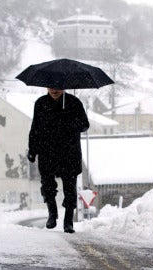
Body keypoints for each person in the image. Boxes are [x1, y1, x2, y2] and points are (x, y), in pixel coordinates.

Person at [27, 88, 90, 233]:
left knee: (69, 188)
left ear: (64, 87)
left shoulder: (74, 103)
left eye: (58, 88)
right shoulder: (41, 103)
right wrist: (32, 150)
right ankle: (52, 214)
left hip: (69, 152)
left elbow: (85, 124)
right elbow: (35, 128)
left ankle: (68, 220)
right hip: (47, 152)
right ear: (46, 87)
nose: (54, 90)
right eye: (51, 87)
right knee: (47, 185)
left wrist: (70, 122)